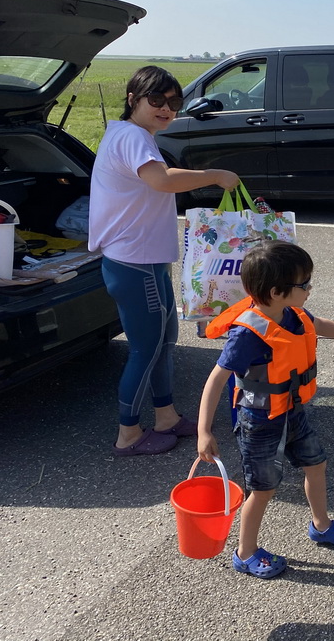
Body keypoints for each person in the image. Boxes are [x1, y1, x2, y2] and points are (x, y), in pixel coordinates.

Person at [197, 239, 334, 579]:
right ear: (276, 291)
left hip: (293, 412)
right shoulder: (247, 334)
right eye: (304, 283)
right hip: (260, 421)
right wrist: (204, 431)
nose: (310, 288)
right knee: (263, 489)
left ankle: (321, 525)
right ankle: (245, 552)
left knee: (317, 464)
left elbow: (319, 325)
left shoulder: (293, 313)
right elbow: (216, 378)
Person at [89, 66, 239, 457]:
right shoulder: (133, 136)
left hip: (143, 261)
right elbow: (162, 180)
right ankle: (129, 434)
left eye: (174, 102)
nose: (166, 108)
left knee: (162, 343)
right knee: (146, 348)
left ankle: (167, 417)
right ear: (132, 99)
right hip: (135, 263)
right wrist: (215, 175)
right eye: (156, 100)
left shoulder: (128, 136)